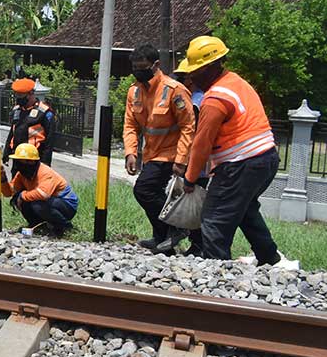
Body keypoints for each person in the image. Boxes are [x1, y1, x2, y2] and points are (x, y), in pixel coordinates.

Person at [179, 36, 295, 268]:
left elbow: (202, 144)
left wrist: (189, 178)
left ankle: (216, 270)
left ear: (211, 66)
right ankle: (270, 258)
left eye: (195, 71)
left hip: (241, 164)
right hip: (266, 159)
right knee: (245, 209)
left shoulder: (215, 99)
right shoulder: (236, 82)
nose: (191, 77)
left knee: (214, 217)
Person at [123, 44, 195, 254]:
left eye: (142, 66)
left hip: (171, 154)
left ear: (155, 65)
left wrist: (181, 159)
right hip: (151, 155)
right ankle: (162, 239)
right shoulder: (134, 92)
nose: (138, 70)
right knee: (150, 192)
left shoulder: (174, 90)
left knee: (143, 190)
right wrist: (130, 152)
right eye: (135, 67)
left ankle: (175, 227)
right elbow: (130, 125)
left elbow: (188, 126)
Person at [157, 59, 209, 256]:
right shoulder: (202, 96)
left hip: (196, 161)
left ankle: (192, 240)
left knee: (193, 202)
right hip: (199, 160)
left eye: (181, 77)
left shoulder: (196, 100)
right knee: (196, 202)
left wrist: (184, 160)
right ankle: (197, 246)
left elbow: (191, 132)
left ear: (190, 78)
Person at [0, 143, 78, 236]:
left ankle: (65, 226)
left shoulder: (45, 172)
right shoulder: (22, 175)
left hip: (67, 204)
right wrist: (3, 180)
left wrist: (22, 195)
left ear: (31, 162)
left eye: (20, 161)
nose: (18, 164)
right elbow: (9, 193)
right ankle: (38, 225)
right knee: (26, 201)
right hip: (50, 202)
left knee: (37, 204)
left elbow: (43, 194)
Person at [3, 78, 56, 170]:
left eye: (20, 95)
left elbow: (50, 140)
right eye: (16, 95)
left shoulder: (44, 113)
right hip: (18, 158)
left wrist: (46, 163)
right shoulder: (16, 110)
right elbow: (12, 132)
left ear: (31, 93)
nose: (18, 98)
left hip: (34, 160)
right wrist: (6, 151)